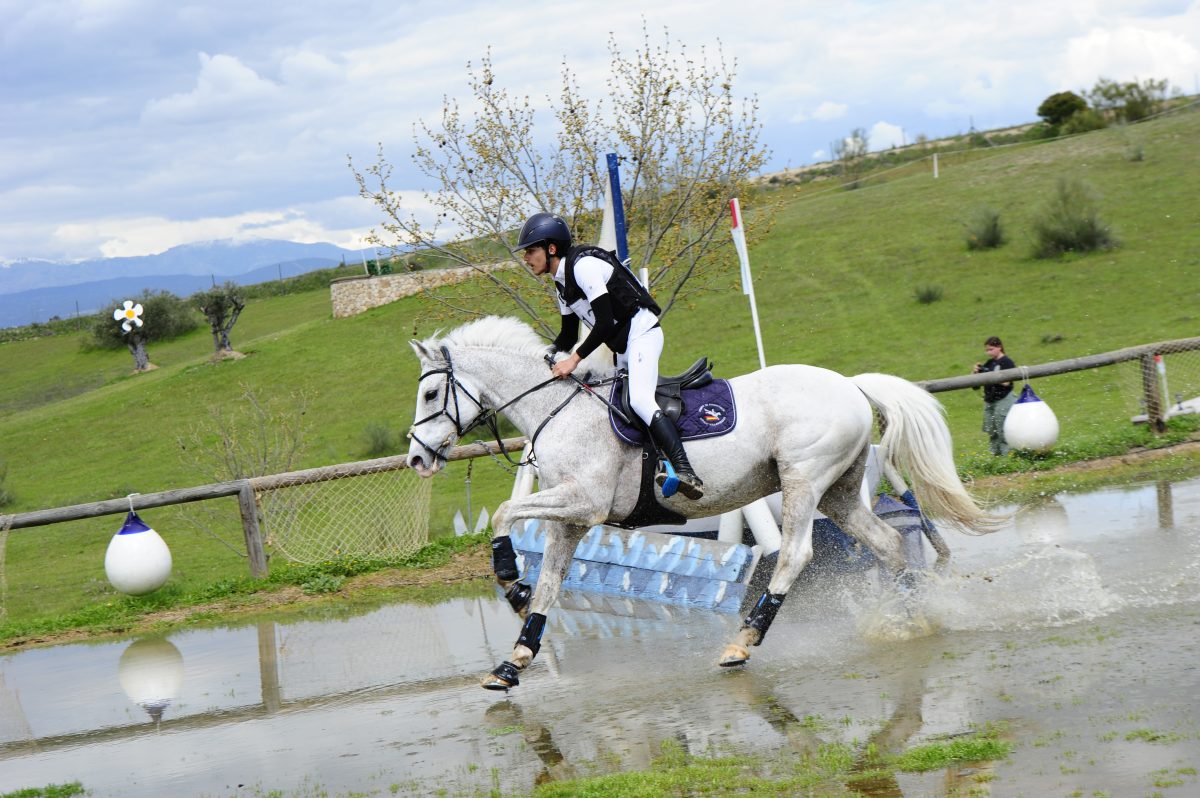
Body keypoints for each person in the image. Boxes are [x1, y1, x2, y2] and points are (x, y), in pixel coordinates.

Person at [516, 212, 704, 499]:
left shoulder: (583, 267)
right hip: (624, 345)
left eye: (531, 251)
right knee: (616, 405)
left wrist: (573, 360)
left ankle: (686, 470)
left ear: (551, 248)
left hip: (643, 333)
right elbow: (568, 335)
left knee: (639, 400)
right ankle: (653, 464)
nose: (526, 258)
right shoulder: (561, 283)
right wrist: (543, 357)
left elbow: (603, 324)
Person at [972, 336, 1017, 455]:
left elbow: (1007, 382)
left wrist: (990, 374)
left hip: (1003, 399)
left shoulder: (1007, 362)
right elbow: (977, 385)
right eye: (987, 350)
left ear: (999, 347)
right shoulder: (989, 363)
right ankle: (996, 457)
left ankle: (1008, 457)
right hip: (990, 401)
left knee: (1003, 429)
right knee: (992, 431)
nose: (988, 353)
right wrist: (976, 373)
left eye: (991, 349)